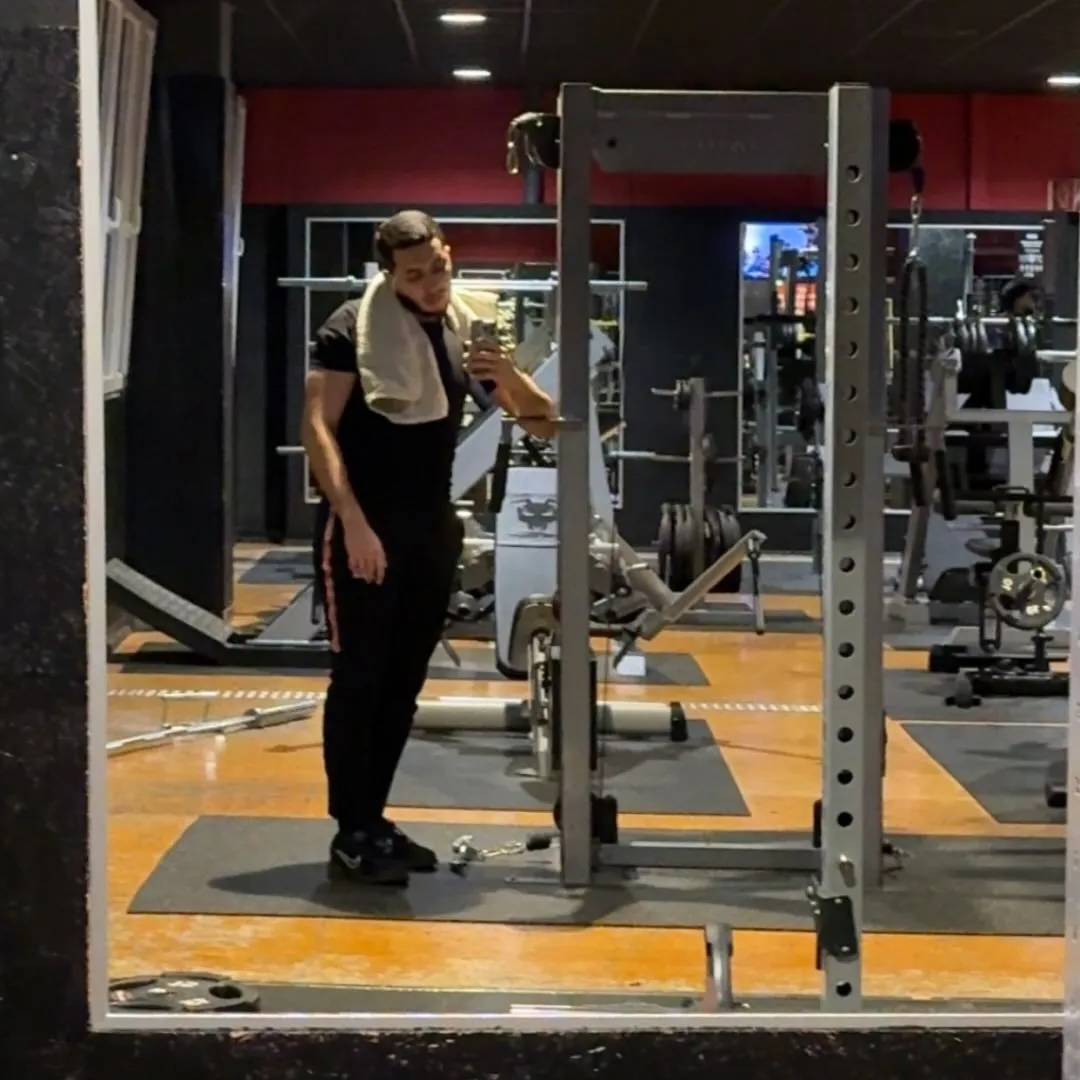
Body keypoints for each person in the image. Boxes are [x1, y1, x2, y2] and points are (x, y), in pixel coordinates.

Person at [302, 210, 556, 886]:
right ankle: (351, 831)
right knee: (359, 680)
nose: (432, 283)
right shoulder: (349, 329)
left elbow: (544, 422)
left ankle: (373, 820)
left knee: (403, 683)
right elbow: (318, 429)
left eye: (438, 267)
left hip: (430, 525)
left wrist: (506, 372)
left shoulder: (463, 328)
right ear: (389, 274)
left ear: (449, 253)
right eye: (414, 275)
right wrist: (352, 521)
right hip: (364, 522)